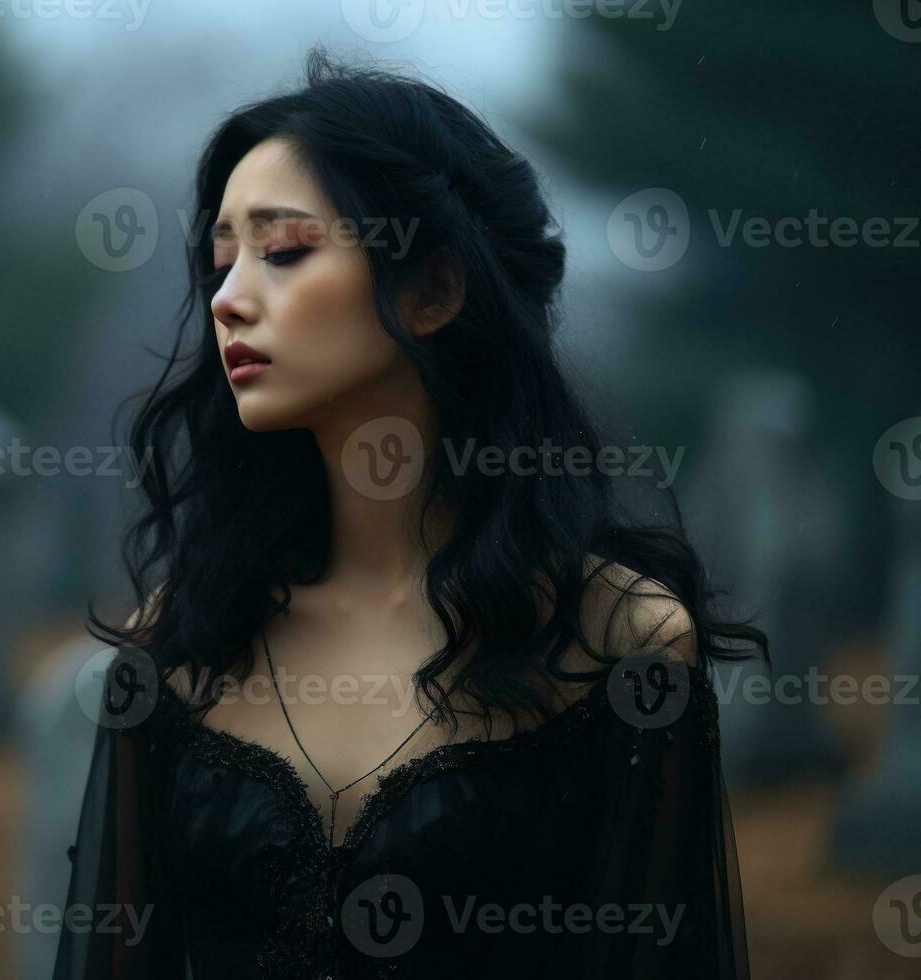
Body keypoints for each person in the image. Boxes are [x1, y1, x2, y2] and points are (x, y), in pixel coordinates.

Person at [54, 46, 767, 980]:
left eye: (285, 251)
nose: (226, 301)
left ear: (432, 288)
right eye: (221, 262)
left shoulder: (620, 649)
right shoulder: (181, 648)